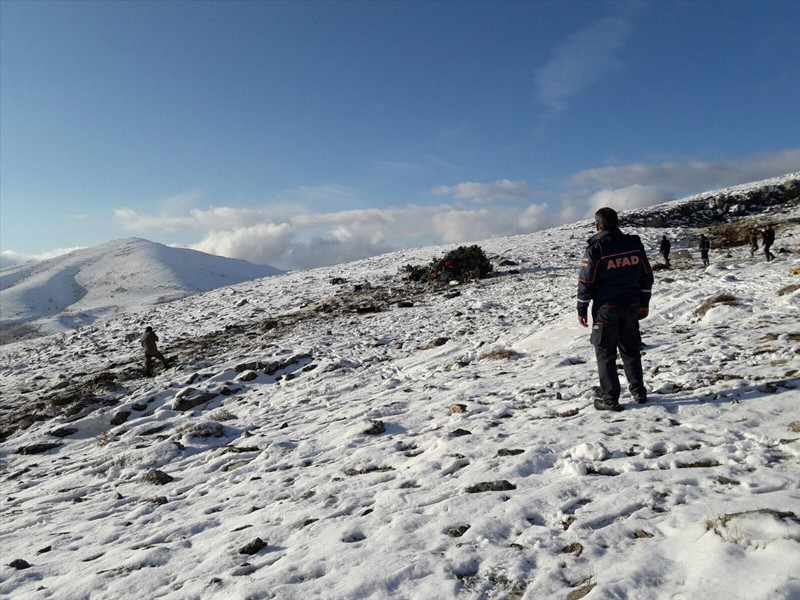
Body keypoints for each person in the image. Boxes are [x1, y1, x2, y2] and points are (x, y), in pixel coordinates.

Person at [577, 207, 653, 412]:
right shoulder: (633, 244)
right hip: (631, 306)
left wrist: (581, 309)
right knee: (631, 351)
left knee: (605, 354)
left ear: (597, 226)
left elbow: (586, 281)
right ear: (617, 223)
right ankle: (639, 392)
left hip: (606, 310)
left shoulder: (595, 249)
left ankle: (610, 400)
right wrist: (644, 303)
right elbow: (647, 275)